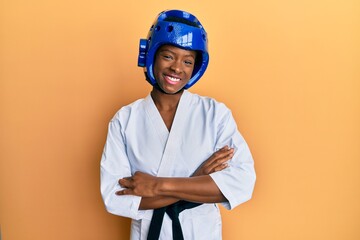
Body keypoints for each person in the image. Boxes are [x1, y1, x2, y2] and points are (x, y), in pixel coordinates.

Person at [100, 9, 256, 240]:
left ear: (196, 67)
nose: (177, 68)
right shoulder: (125, 120)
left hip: (201, 232)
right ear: (150, 55)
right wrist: (199, 179)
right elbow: (114, 198)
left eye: (187, 61)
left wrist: (157, 186)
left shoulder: (215, 114)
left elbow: (242, 183)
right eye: (168, 56)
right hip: (149, 232)